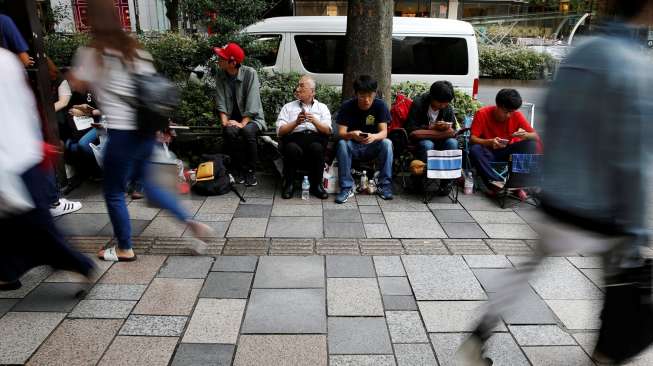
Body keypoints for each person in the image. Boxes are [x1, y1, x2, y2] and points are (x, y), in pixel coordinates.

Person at [459, 1, 653, 364]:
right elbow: (633, 157)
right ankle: (605, 356)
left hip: (557, 197)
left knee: (524, 270)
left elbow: (550, 117)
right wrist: (638, 228)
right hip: (602, 208)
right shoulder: (636, 65)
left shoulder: (582, 51)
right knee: (618, 290)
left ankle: (477, 336)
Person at [69, 0, 213, 262]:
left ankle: (124, 247)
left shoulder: (93, 53)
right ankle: (192, 223)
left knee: (113, 191)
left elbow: (78, 83)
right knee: (150, 184)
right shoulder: (135, 51)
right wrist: (163, 126)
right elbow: (154, 94)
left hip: (122, 134)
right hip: (146, 131)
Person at [0, 47, 94, 291]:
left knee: (36, 228)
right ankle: (7, 272)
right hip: (23, 154)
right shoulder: (7, 61)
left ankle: (80, 264)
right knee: (17, 227)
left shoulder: (5, 62)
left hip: (12, 162)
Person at [335, 75, 393, 204]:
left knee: (387, 143)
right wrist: (352, 134)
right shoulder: (347, 106)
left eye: (370, 96)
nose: (366, 100)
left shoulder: (380, 106)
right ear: (356, 94)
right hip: (353, 146)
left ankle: (385, 186)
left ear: (374, 94)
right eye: (362, 96)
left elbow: (384, 133)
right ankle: (346, 187)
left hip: (372, 146)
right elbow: (341, 133)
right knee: (342, 144)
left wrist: (374, 136)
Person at [214, 42, 266, 187]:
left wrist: (242, 123)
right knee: (229, 132)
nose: (218, 60)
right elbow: (220, 100)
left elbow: (253, 102)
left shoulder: (250, 73)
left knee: (248, 132)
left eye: (222, 58)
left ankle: (250, 171)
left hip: (252, 118)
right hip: (232, 118)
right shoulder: (220, 74)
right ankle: (238, 169)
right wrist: (225, 122)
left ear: (233, 62)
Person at [469, 89, 539, 187]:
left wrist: (525, 135)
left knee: (531, 144)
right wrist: (489, 142)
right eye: (506, 112)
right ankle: (495, 182)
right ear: (497, 105)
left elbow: (536, 136)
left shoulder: (516, 115)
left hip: (507, 151)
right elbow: (472, 139)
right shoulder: (482, 113)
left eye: (512, 112)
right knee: (475, 149)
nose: (509, 115)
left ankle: (516, 182)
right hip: (488, 152)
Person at [276, 75, 331, 199]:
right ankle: (289, 184)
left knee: (317, 148)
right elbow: (280, 131)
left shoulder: (322, 108)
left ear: (312, 92)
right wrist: (295, 122)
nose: (297, 89)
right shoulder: (288, 107)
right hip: (295, 139)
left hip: (315, 139)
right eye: (298, 85)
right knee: (291, 148)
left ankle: (317, 185)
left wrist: (314, 121)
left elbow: (327, 130)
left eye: (302, 86)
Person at [404, 80, 459, 195]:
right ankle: (420, 179)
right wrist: (430, 127)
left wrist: (445, 126)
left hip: (441, 139)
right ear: (432, 97)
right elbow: (410, 127)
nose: (443, 105)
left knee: (452, 143)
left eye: (446, 103)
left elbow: (453, 126)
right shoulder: (419, 103)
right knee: (427, 145)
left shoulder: (447, 107)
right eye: (440, 102)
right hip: (422, 140)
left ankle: (446, 182)